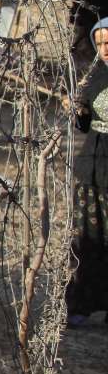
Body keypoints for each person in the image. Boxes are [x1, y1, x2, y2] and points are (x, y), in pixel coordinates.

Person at [68, 17, 108, 324]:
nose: (106, 49)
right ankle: (81, 305)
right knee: (86, 240)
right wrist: (79, 111)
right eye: (102, 42)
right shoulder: (94, 77)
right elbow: (84, 124)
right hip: (90, 170)